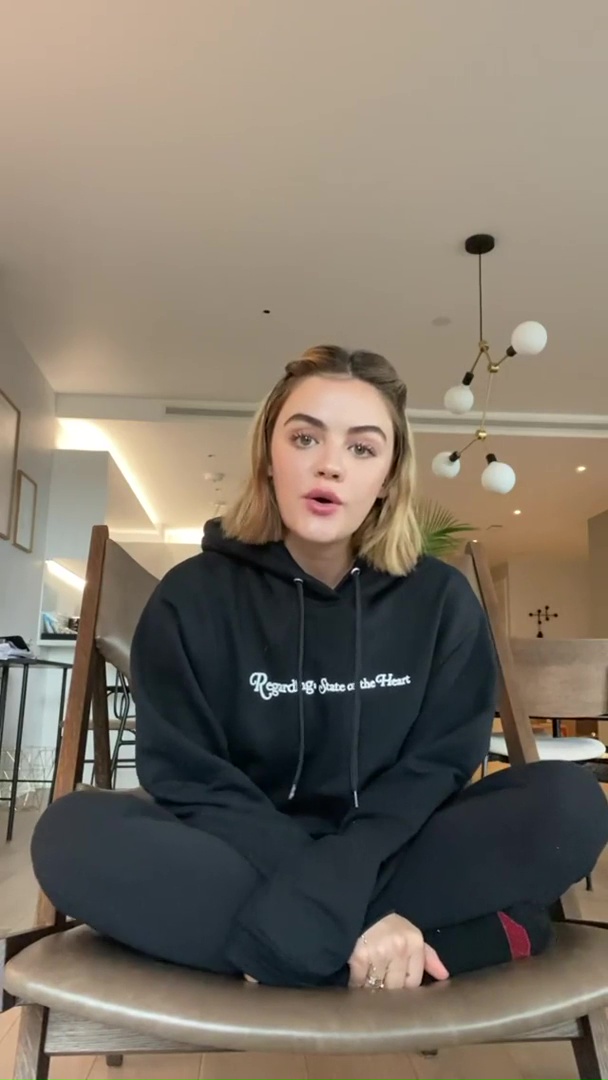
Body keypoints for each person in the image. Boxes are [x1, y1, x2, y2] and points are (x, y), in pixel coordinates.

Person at [32, 345, 608, 992]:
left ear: (388, 477)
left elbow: (436, 769)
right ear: (268, 455)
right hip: (242, 851)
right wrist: (329, 890)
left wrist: (340, 874)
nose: (330, 464)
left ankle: (286, 951)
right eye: (305, 438)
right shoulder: (190, 597)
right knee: (70, 836)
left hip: (394, 846)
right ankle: (428, 945)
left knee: (569, 804)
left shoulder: (442, 601)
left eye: (362, 448)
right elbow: (191, 778)